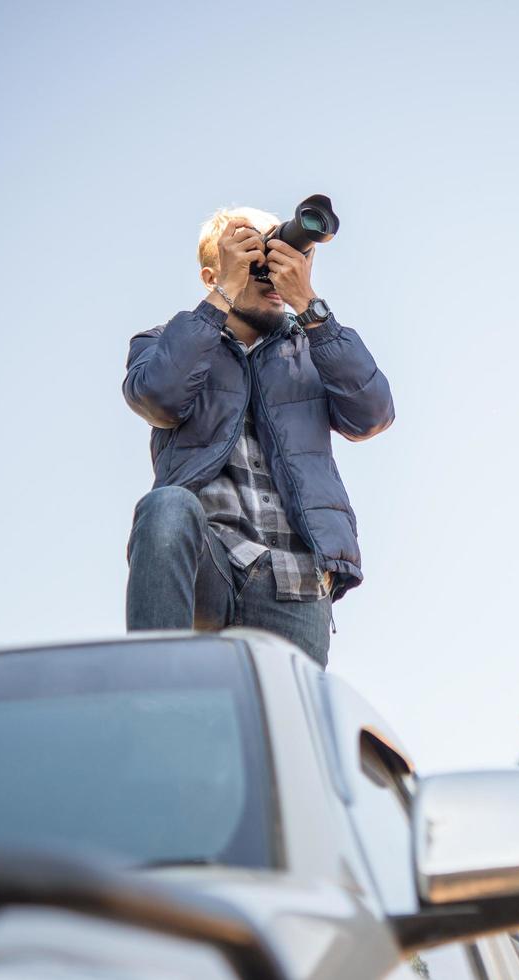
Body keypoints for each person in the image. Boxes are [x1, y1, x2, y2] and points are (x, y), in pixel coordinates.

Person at [121, 206, 394, 667]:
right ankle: (155, 685)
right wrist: (225, 292)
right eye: (253, 256)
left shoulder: (316, 346)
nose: (270, 270)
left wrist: (309, 305)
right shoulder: (166, 341)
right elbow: (158, 399)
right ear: (214, 273)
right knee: (166, 506)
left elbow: (372, 414)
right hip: (212, 563)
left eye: (279, 251)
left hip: (296, 583)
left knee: (283, 736)